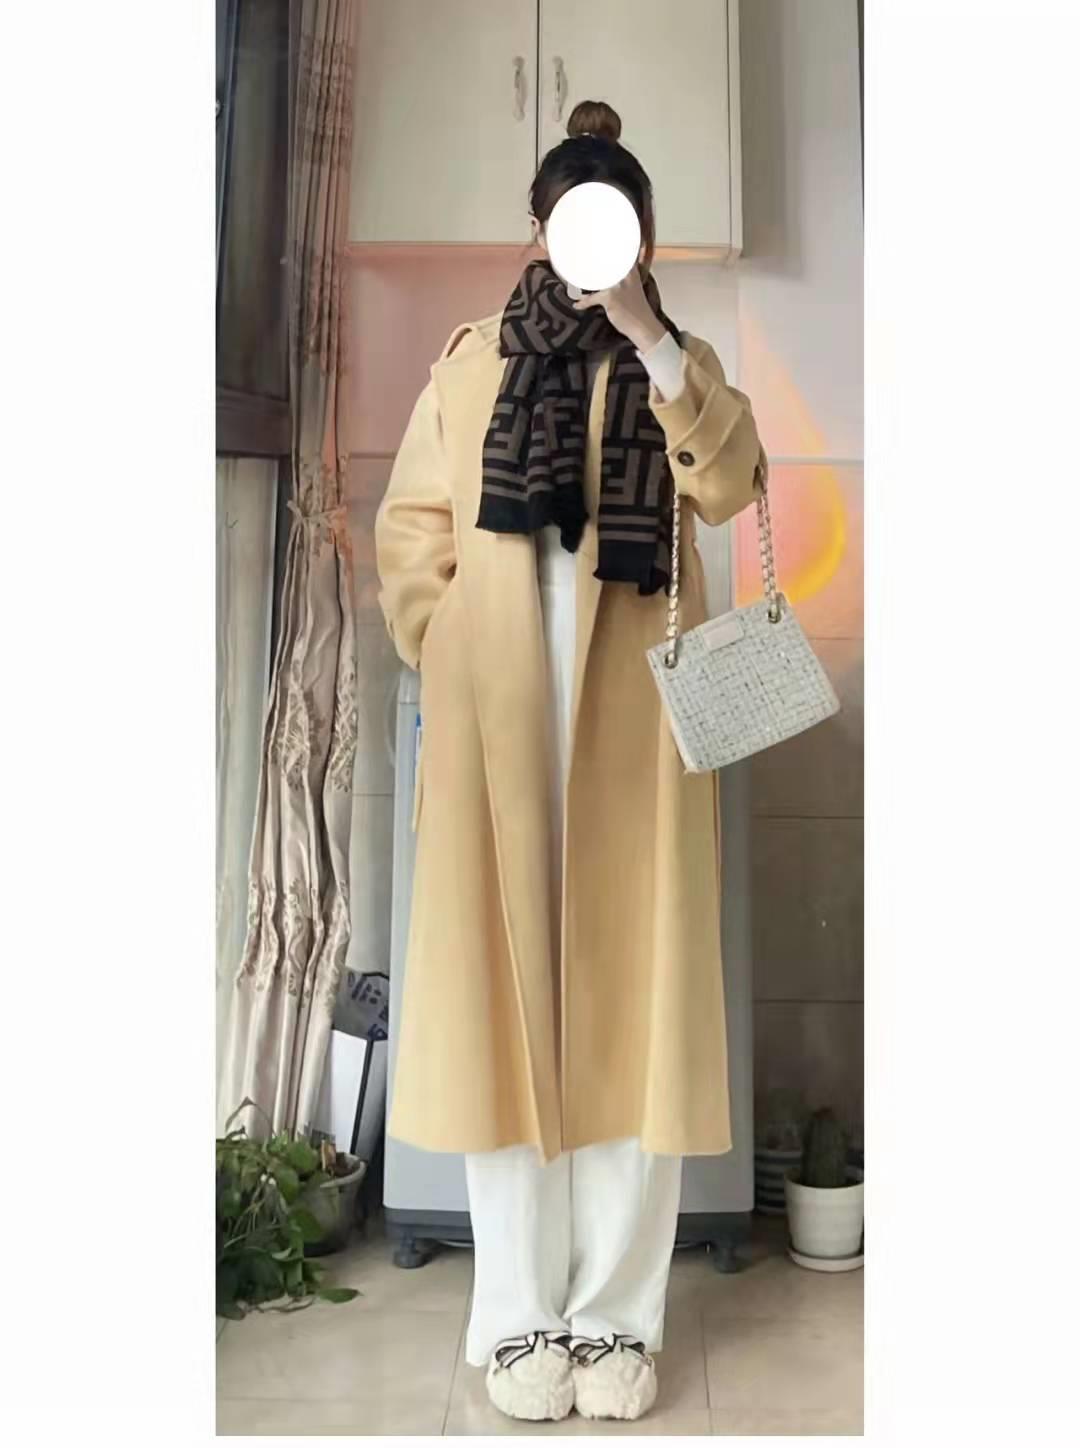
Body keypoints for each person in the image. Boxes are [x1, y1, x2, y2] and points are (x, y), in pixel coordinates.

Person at [374, 99, 764, 1423]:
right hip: (496, 725)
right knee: (509, 1023)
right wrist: (447, 645)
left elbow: (733, 483)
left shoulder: (676, 361)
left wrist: (649, 331)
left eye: (619, 224)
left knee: (629, 1021)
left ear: (642, 234)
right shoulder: (470, 361)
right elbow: (411, 532)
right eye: (573, 221)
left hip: (634, 734)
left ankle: (615, 1320)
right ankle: (520, 1317)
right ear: (536, 230)